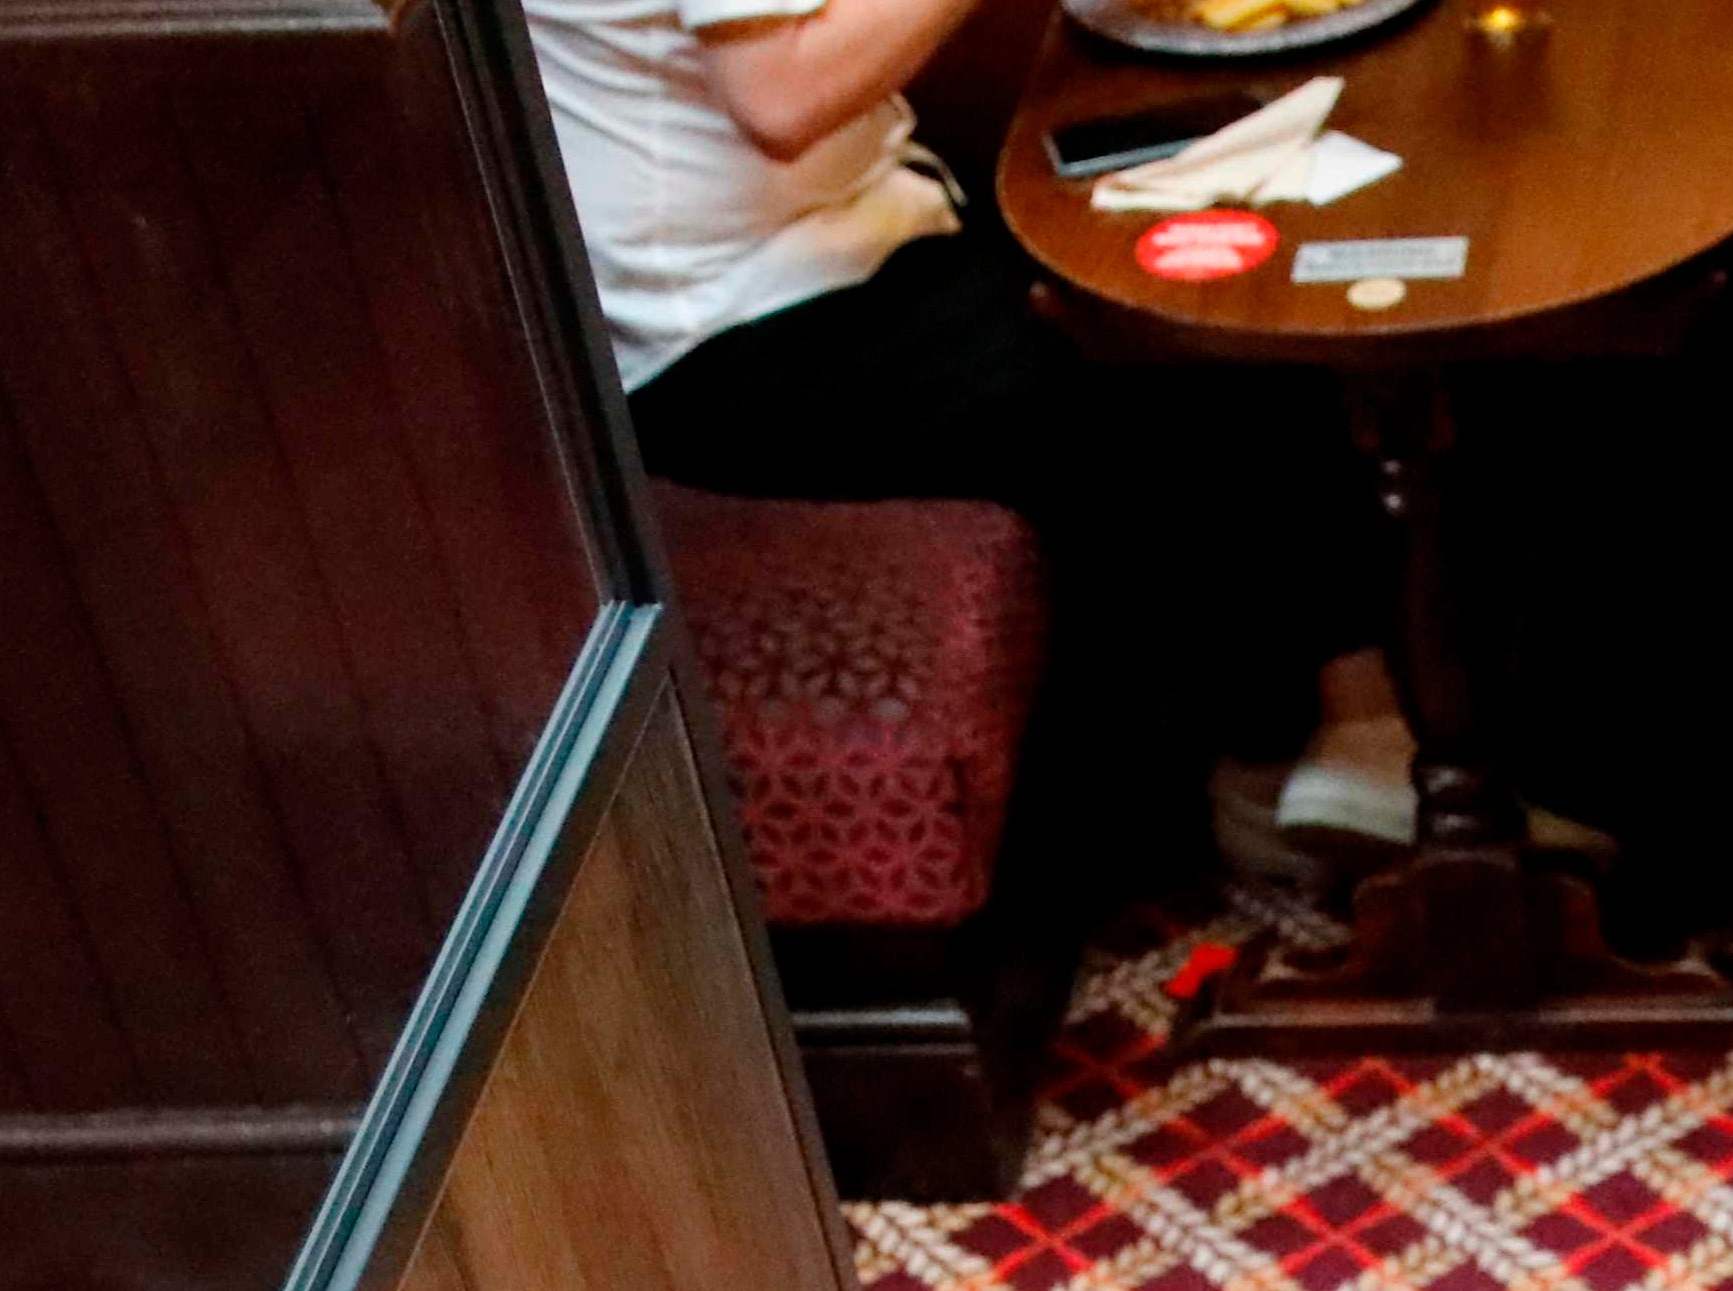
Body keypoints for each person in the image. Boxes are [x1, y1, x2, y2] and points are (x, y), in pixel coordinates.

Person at [516, 0, 1401, 878]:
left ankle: (1322, 741)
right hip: (724, 332)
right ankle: (1302, 754)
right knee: (1170, 340)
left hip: (842, 237)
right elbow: (780, 95)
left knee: (1198, 260)